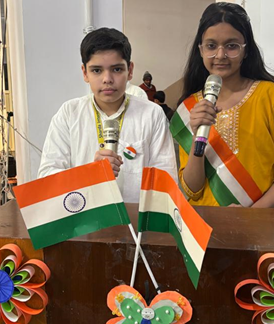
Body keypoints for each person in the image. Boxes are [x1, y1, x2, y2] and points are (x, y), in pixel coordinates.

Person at [172, 2, 274, 208]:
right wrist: (198, 136)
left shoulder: (269, 96)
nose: (220, 55)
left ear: (246, 50)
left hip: (257, 221)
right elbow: (192, 189)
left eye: (231, 46)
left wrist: (251, 215)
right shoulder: (190, 107)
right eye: (211, 46)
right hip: (203, 220)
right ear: (200, 50)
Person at [38, 28, 177, 203]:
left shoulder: (151, 114)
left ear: (130, 70)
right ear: (85, 73)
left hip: (136, 217)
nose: (107, 79)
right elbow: (47, 178)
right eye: (97, 70)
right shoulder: (69, 114)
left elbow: (167, 180)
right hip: (84, 215)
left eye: (117, 69)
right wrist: (89, 174)